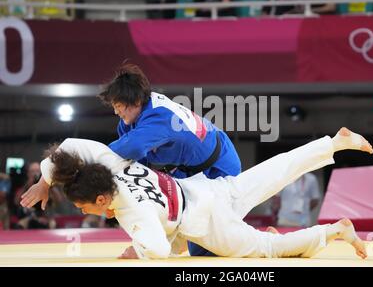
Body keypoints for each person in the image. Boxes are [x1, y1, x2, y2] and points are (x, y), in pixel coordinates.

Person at [23, 127, 372, 260]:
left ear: (102, 200)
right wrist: (46, 178)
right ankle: (332, 143)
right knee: (271, 173)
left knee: (265, 248)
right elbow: (69, 146)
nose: (85, 212)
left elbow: (159, 249)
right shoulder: (109, 162)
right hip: (206, 187)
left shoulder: (132, 212)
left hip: (207, 221)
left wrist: (138, 250)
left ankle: (334, 231)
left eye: (85, 207)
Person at [21, 63, 241, 257]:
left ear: (136, 100)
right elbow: (132, 170)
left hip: (219, 166)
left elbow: (106, 158)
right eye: (114, 107)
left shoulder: (159, 117)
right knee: (196, 239)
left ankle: (259, 238)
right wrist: (108, 197)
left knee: (211, 240)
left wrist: (49, 181)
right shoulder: (129, 122)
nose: (116, 112)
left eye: (119, 106)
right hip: (188, 172)